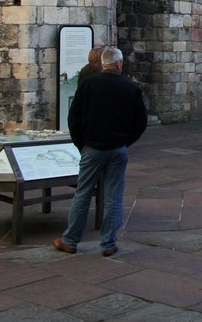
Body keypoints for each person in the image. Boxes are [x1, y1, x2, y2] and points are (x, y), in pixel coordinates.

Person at [54, 47, 148, 256]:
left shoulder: (88, 84)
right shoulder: (130, 87)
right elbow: (141, 122)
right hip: (117, 148)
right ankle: (108, 243)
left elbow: (74, 118)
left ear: (103, 64)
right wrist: (125, 141)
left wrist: (81, 144)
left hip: (92, 147)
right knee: (114, 196)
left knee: (83, 193)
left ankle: (70, 240)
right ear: (119, 64)